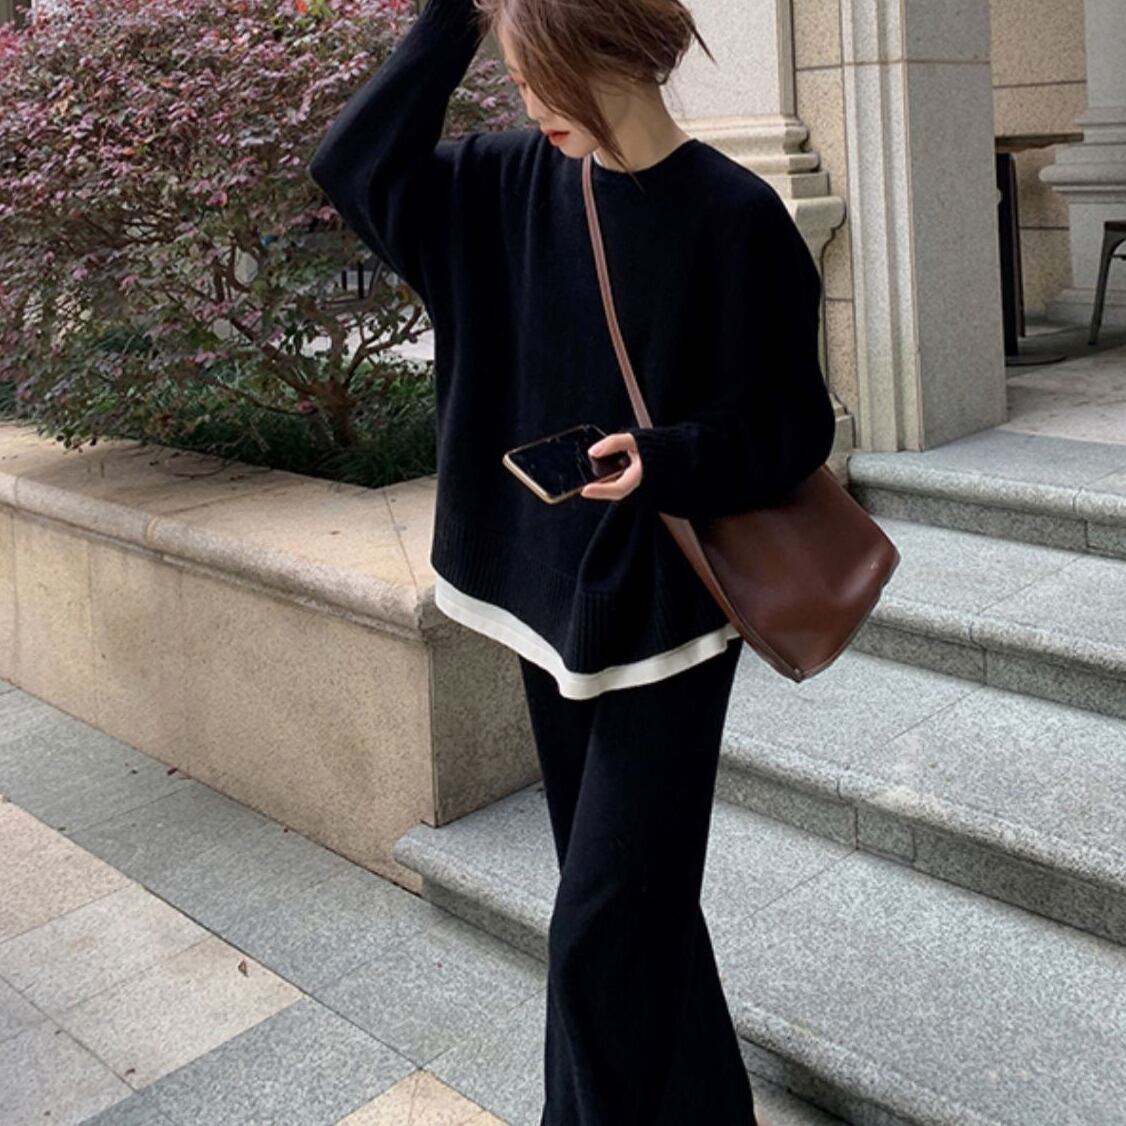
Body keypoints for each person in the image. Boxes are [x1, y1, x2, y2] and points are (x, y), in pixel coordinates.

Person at [308, 0, 835, 1122]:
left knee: (598, 937)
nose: (533, 103)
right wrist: (457, 14)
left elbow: (792, 429)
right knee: (639, 915)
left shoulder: (736, 217)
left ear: (620, 50)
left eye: (547, 74)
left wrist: (664, 457)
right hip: (548, 605)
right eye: (518, 78)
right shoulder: (498, 187)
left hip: (668, 618)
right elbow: (351, 164)